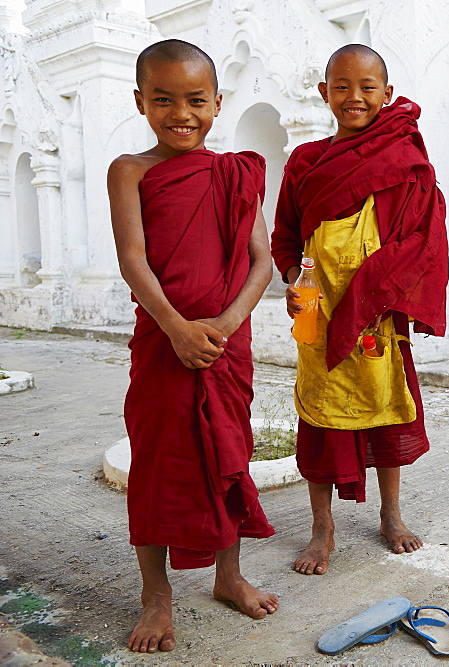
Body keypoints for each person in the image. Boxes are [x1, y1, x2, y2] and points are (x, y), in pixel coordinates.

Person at [107, 39, 278, 653]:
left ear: (217, 103)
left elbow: (263, 261)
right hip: (163, 340)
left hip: (225, 345)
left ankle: (228, 577)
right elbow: (133, 259)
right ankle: (157, 599)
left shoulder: (236, 173)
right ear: (140, 103)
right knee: (158, 467)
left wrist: (223, 328)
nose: (182, 113)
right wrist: (179, 328)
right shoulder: (131, 170)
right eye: (163, 100)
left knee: (226, 454)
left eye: (196, 100)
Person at [271, 44, 448, 576]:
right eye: (342, 86)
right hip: (318, 313)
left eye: (368, 87)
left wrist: (382, 289)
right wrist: (290, 279)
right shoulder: (305, 163)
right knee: (320, 418)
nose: (355, 97)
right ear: (324, 93)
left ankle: (391, 515)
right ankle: (321, 530)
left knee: (388, 407)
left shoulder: (404, 158)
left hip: (379, 313)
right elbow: (285, 236)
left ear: (386, 94)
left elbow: (424, 238)